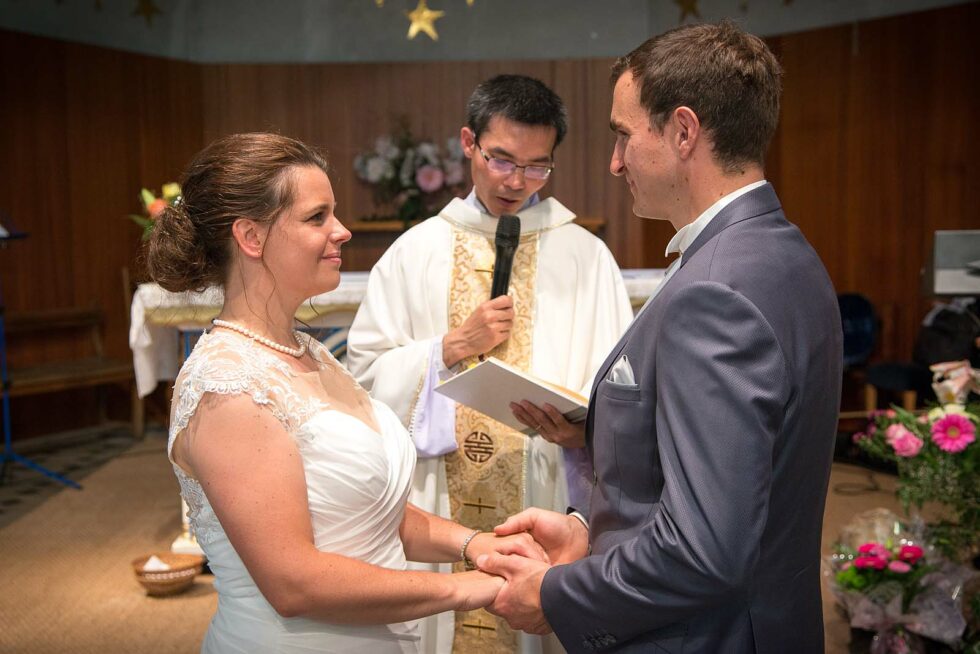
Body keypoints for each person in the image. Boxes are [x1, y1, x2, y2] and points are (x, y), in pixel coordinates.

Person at [478, 21, 843, 653]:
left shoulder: (717, 290)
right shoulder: (781, 251)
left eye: (624, 134)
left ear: (683, 131)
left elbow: (704, 550)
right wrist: (590, 532)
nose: (614, 161)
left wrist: (557, 594)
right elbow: (734, 482)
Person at [146, 133, 547, 654]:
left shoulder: (310, 353)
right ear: (250, 236)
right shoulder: (228, 388)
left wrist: (476, 543)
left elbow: (368, 511)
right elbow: (295, 584)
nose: (342, 230)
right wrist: (471, 588)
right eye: (317, 217)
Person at [346, 75, 634, 653]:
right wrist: (446, 349)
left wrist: (582, 428)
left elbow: (621, 382)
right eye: (501, 159)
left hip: (548, 483)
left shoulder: (586, 258)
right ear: (468, 143)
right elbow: (364, 378)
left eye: (536, 167)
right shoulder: (415, 252)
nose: (516, 181)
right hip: (439, 495)